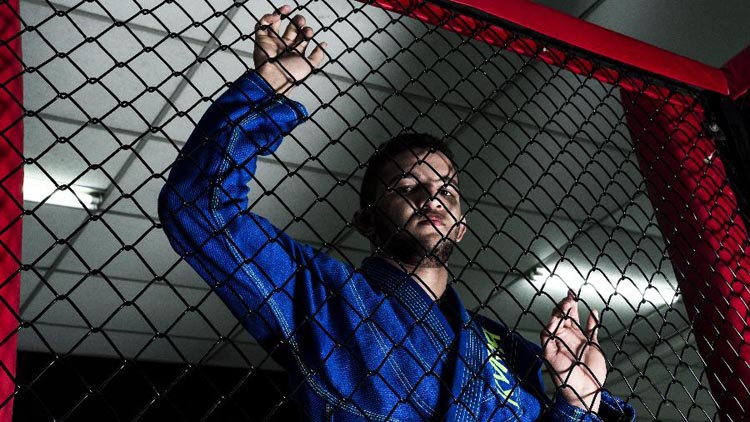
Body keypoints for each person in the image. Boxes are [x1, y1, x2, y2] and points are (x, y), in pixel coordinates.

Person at [158, 6, 635, 420]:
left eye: (447, 190)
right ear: (366, 220)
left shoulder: (505, 347)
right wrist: (269, 87)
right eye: (407, 187)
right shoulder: (328, 299)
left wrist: (581, 401)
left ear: (462, 227)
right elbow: (197, 206)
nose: (433, 198)